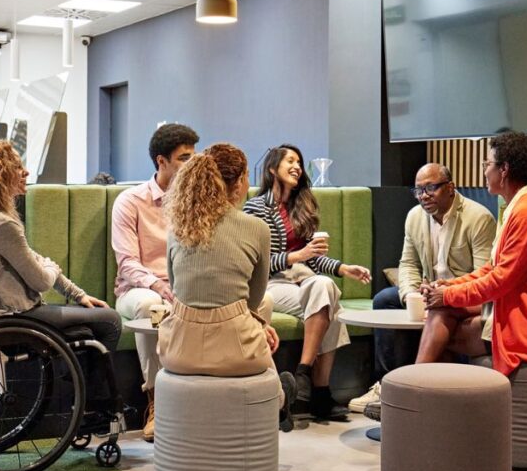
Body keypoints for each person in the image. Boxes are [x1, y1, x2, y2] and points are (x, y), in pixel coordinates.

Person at [158, 144, 297, 430]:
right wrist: (257, 325)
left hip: (178, 350)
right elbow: (253, 299)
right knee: (257, 321)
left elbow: (177, 290)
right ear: (241, 181)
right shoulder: (256, 228)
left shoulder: (177, 228)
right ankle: (279, 400)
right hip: (236, 353)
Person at [0, 140, 121, 357]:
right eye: (17, 167)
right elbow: (41, 281)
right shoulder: (1, 224)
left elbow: (35, 260)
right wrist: (52, 267)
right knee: (111, 320)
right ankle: (91, 381)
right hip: (16, 318)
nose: (25, 172)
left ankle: (79, 378)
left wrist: (79, 296)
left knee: (89, 323)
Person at [417, 131, 527, 377]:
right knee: (440, 321)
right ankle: (422, 394)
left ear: (504, 169)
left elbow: (500, 280)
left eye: (487, 164)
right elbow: (492, 268)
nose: (484, 171)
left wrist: (447, 295)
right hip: (514, 312)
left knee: (440, 328)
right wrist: (448, 286)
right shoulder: (516, 207)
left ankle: (411, 391)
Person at [352, 163, 496, 413]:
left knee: (442, 310)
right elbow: (408, 263)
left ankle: (409, 391)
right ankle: (386, 383)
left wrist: (446, 293)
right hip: (428, 292)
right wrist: (411, 295)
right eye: (418, 190)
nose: (424, 196)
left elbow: (482, 276)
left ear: (450, 188)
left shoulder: (478, 218)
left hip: (463, 296)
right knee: (385, 299)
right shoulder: (414, 217)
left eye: (431, 188)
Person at [243, 144, 372, 421]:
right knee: (330, 304)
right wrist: (296, 256)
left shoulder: (303, 205)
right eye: (290, 161)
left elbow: (313, 259)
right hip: (271, 283)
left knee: (325, 287)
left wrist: (343, 268)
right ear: (271, 168)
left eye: (299, 163)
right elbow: (256, 261)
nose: (297, 167)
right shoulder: (256, 207)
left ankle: (302, 372)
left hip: (303, 281)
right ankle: (321, 392)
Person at [111, 122, 197, 442]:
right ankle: (156, 401)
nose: (192, 164)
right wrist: (160, 286)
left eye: (194, 157)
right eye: (185, 158)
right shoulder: (130, 201)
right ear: (162, 161)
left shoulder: (195, 202)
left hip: (182, 287)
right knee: (152, 306)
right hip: (137, 290)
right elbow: (127, 263)